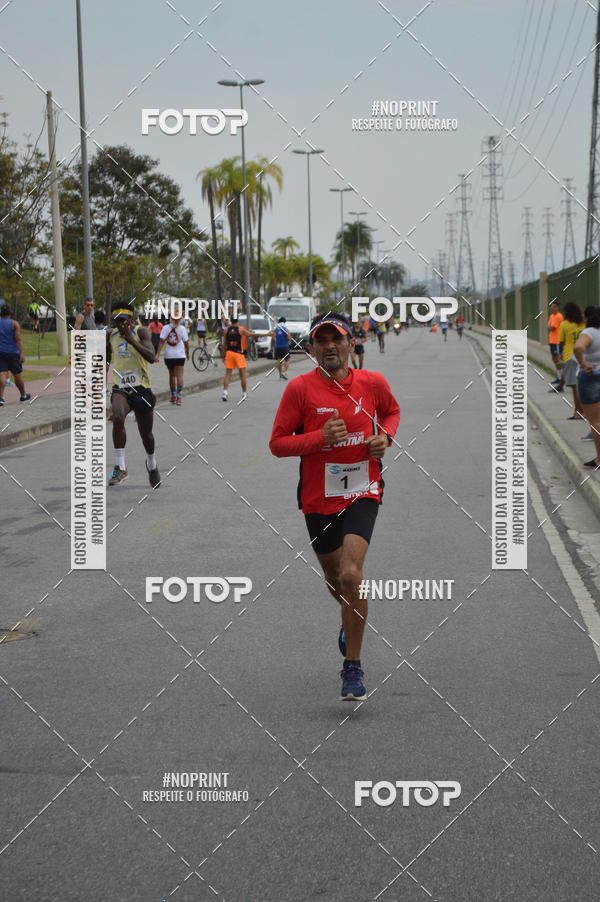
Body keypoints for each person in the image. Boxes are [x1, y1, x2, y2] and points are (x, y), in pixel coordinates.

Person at [269, 313, 400, 701]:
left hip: (363, 488)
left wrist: (385, 438)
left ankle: (353, 667)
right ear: (311, 348)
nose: (329, 346)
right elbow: (277, 444)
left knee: (351, 574)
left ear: (350, 344)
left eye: (336, 339)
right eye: (321, 340)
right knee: (335, 579)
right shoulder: (299, 390)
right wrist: (317, 438)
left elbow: (391, 414)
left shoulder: (373, 383)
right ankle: (349, 618)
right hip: (317, 498)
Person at [106, 302, 160, 487]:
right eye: (117, 321)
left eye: (123, 320)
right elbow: (105, 360)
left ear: (130, 319)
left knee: (147, 436)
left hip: (141, 388)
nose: (120, 325)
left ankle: (151, 464)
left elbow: (152, 357)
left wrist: (130, 339)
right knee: (118, 417)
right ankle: (121, 467)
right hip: (121, 387)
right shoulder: (110, 336)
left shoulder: (141, 332)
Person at [574, 306, 600, 468]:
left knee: (596, 421)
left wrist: (583, 364)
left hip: (591, 378)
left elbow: (578, 348)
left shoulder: (589, 332)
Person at [557, 302, 585, 418]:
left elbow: (561, 342)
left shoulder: (564, 324)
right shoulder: (584, 323)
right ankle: (585, 411)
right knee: (585, 386)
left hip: (569, 357)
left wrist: (559, 356)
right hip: (584, 356)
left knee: (575, 387)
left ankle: (578, 412)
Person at [0, 305, 31, 406]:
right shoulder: (14, 324)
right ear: (10, 313)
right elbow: (18, 340)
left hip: (1, 353)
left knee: (2, 374)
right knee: (17, 375)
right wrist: (21, 353)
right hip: (13, 353)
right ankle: (23, 395)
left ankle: (0, 398)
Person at [157, 313, 189, 406]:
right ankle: (179, 397)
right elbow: (186, 342)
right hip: (180, 355)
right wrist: (188, 353)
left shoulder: (165, 328)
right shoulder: (183, 329)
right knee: (180, 376)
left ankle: (173, 396)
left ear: (171, 318)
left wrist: (158, 354)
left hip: (169, 355)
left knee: (172, 376)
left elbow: (161, 342)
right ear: (180, 319)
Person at [222, 316, 256, 402]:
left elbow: (224, 344)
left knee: (228, 374)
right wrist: (266, 334)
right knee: (243, 375)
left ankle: (225, 393)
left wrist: (223, 355)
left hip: (229, 353)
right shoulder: (240, 329)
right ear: (237, 321)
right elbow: (251, 334)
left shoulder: (226, 330)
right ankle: (244, 394)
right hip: (238, 354)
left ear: (231, 321)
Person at [548, 301, 564, 389]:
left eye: (554, 307)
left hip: (557, 341)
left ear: (558, 308)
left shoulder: (559, 316)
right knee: (554, 359)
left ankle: (561, 378)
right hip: (551, 340)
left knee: (558, 359)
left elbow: (552, 327)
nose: (552, 308)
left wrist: (550, 327)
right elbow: (548, 326)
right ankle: (558, 377)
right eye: (552, 307)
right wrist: (550, 327)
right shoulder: (551, 316)